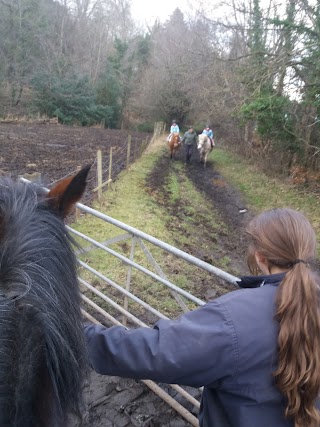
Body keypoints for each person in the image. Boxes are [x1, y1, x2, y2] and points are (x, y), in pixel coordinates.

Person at [84, 208, 320, 427]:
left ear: (260, 257)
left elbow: (157, 352)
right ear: (308, 252)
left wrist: (79, 336)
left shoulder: (233, 319)